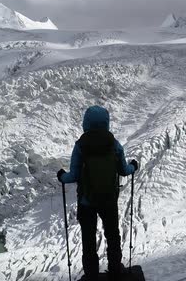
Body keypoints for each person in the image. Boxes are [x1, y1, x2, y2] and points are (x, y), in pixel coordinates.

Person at [57, 105, 139, 281]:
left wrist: (62, 176)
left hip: (86, 202)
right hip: (109, 201)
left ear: (86, 123)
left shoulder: (80, 146)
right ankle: (115, 269)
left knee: (88, 239)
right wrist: (134, 166)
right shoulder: (114, 144)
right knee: (112, 235)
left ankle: (92, 275)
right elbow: (124, 170)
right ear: (106, 123)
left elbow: (74, 175)